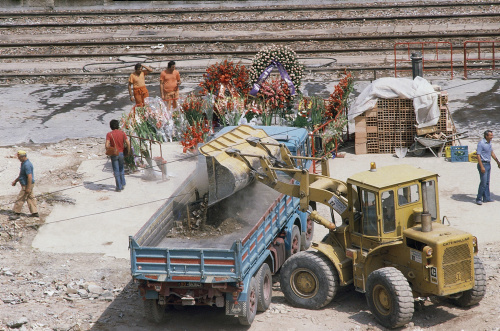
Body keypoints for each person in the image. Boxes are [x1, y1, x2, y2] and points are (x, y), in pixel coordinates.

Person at [10, 150, 39, 220]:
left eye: (19, 157)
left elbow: (29, 176)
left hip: (26, 185)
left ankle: (16, 213)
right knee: (30, 198)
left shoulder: (27, 165)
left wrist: (28, 188)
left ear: (23, 157)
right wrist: (15, 181)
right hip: (27, 184)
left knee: (20, 198)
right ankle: (35, 213)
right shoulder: (23, 163)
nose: (18, 158)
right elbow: (21, 175)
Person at [476, 130, 500, 205]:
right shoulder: (481, 143)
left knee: (487, 182)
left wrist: (497, 161)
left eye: (492, 135)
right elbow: (478, 155)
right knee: (483, 182)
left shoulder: (489, 143)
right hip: (483, 164)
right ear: (486, 136)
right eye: (490, 135)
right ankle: (478, 199)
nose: (492, 137)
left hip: (488, 164)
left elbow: (491, 152)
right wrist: (481, 166)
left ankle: (486, 198)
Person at [106, 119, 130, 192]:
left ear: (111, 126)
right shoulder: (122, 133)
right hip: (121, 153)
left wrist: (110, 149)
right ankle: (123, 183)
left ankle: (118, 187)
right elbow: (128, 143)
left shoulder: (109, 134)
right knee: (121, 168)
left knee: (116, 170)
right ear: (118, 126)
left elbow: (107, 145)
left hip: (114, 154)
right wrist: (128, 152)